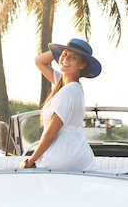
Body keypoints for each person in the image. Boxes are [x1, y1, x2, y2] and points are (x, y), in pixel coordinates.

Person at [19, 38, 101, 171]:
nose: (66, 59)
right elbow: (39, 61)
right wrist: (59, 52)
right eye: (65, 54)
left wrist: (30, 161)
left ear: (82, 65)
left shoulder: (68, 91)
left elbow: (51, 133)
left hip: (62, 158)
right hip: (75, 156)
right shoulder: (64, 84)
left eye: (73, 57)